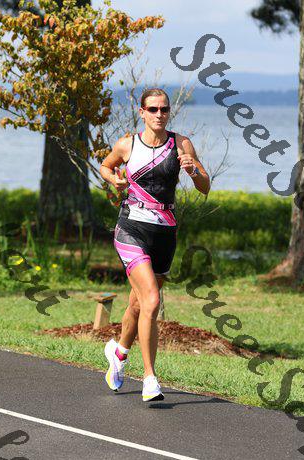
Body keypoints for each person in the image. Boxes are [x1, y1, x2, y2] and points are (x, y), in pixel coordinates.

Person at [100, 88, 210, 401]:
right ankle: (150, 379)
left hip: (164, 233)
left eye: (164, 109)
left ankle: (119, 353)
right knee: (151, 300)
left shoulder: (181, 144)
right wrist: (115, 180)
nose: (159, 114)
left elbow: (204, 187)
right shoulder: (127, 144)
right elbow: (106, 166)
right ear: (142, 112)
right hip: (131, 228)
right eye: (153, 109)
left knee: (138, 304)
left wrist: (193, 171)